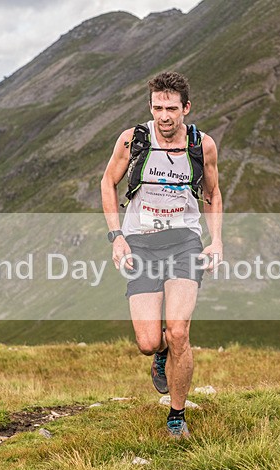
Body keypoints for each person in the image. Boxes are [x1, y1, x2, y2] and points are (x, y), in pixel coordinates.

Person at [100, 71, 223, 439]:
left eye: (171, 108)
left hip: (184, 241)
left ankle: (176, 415)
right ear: (150, 107)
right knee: (150, 341)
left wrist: (215, 241)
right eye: (157, 108)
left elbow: (212, 195)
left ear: (186, 108)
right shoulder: (132, 141)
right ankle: (160, 353)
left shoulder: (203, 145)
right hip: (141, 244)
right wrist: (116, 236)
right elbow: (108, 182)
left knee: (180, 331)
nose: (164, 116)